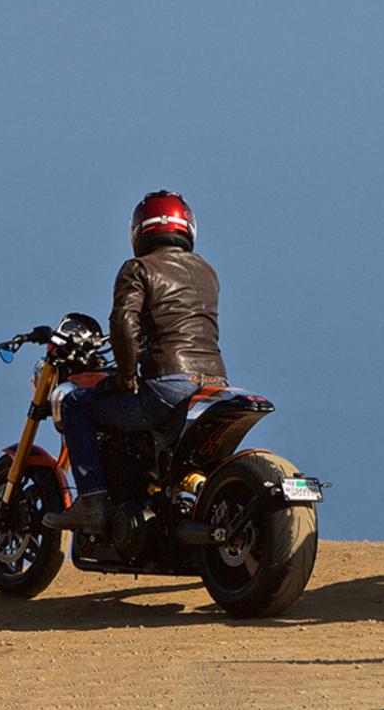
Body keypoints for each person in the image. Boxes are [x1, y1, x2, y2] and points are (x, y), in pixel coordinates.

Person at [43, 190, 228, 533]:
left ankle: (92, 503)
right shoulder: (207, 272)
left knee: (75, 404)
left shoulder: (138, 268)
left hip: (168, 386)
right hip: (215, 386)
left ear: (139, 229)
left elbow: (124, 322)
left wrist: (125, 377)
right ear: (188, 227)